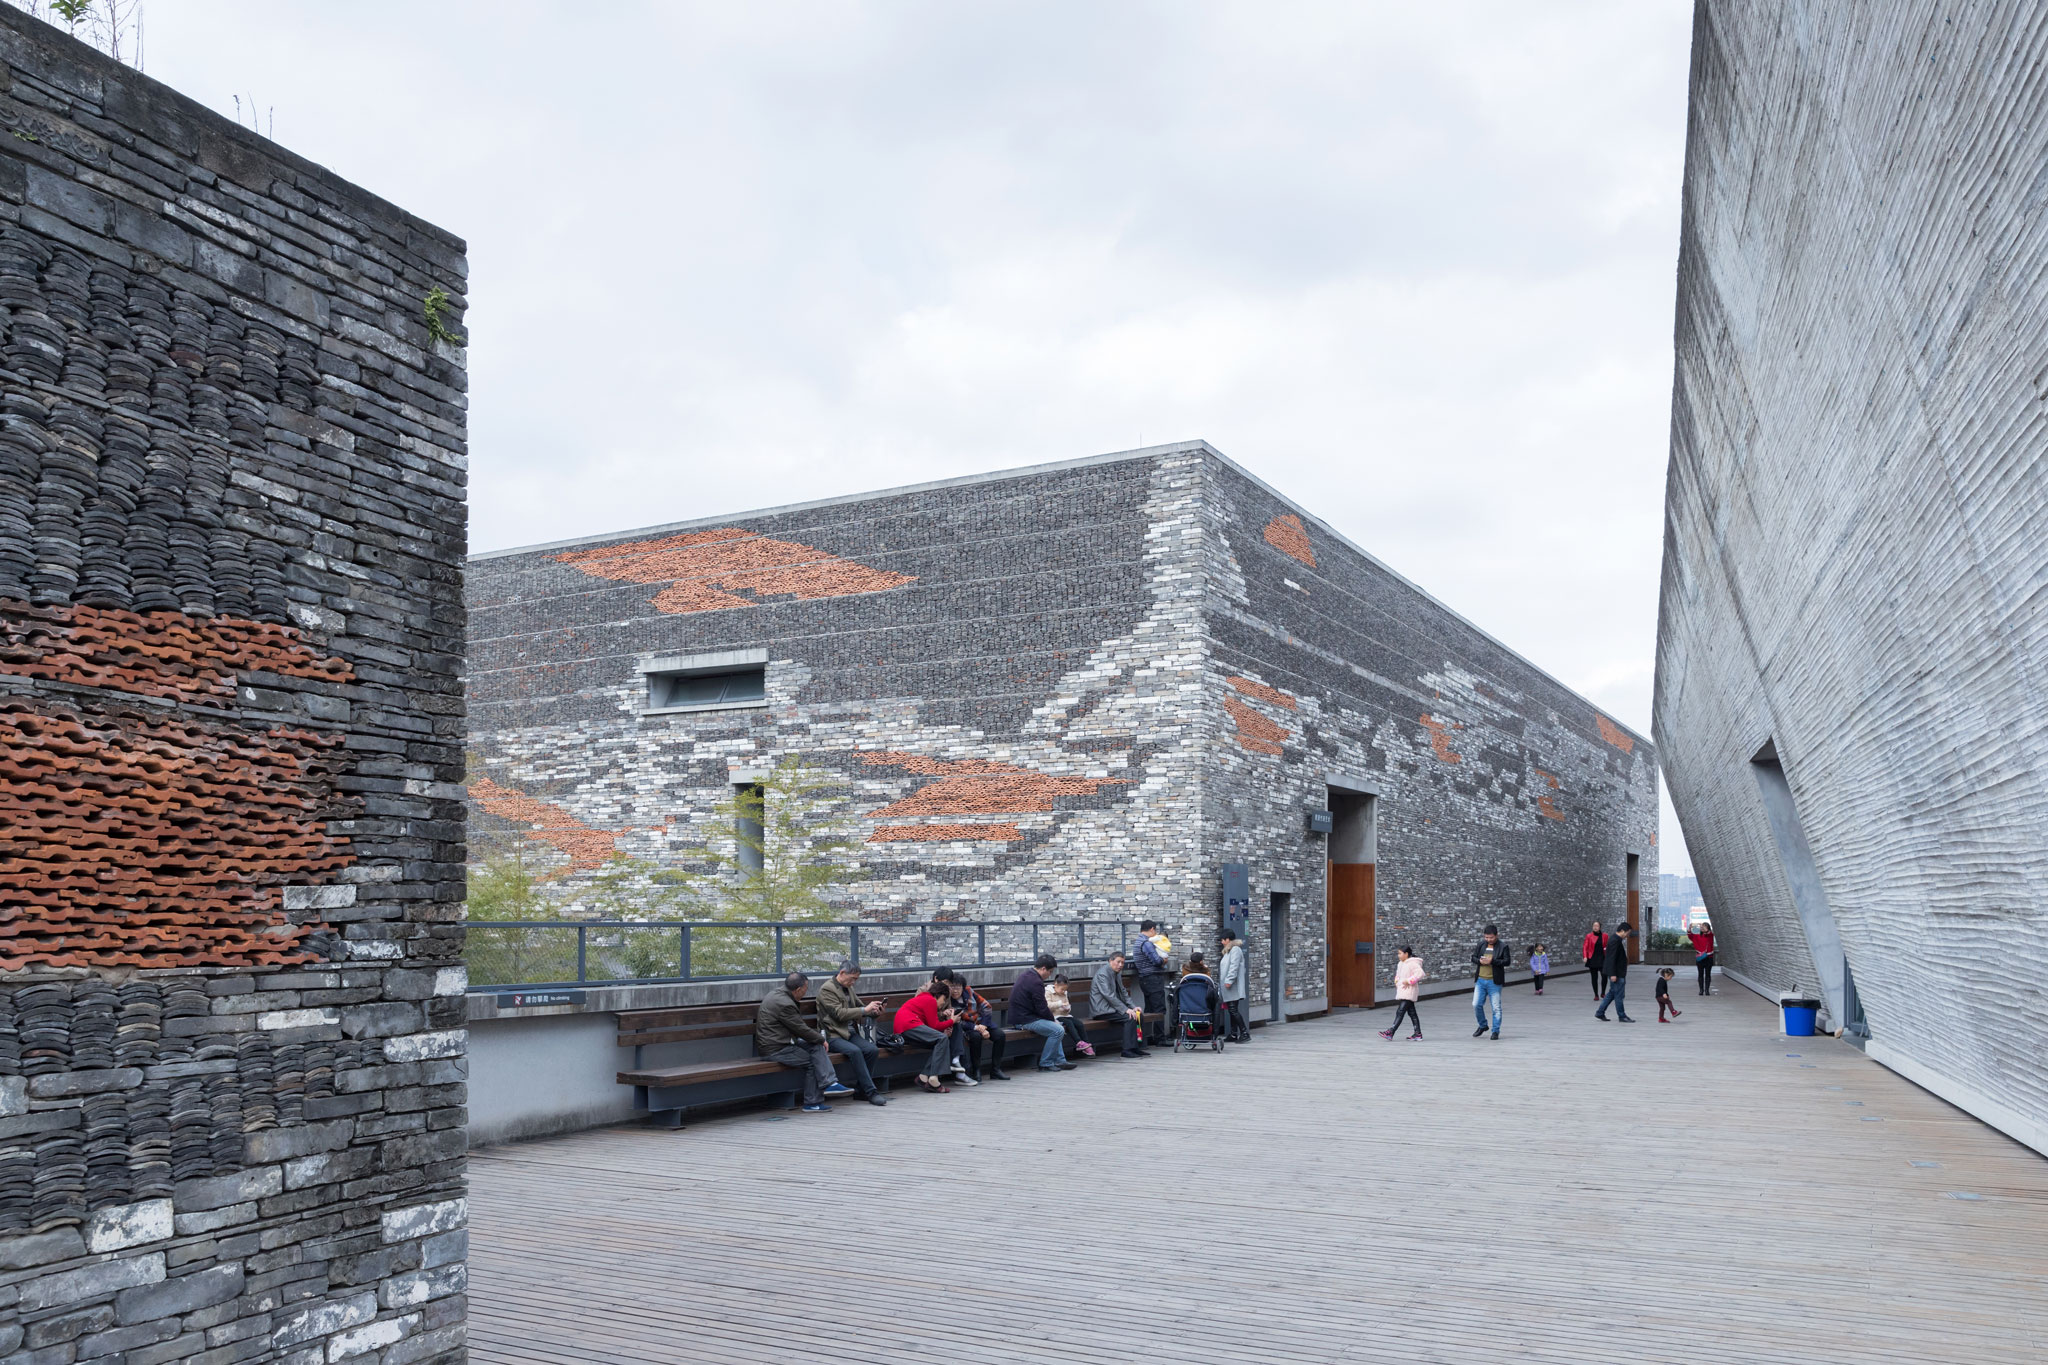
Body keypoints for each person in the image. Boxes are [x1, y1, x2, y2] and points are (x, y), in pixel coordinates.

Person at [754, 971, 849, 1113]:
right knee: (812, 1061)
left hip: (782, 1042)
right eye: (805, 989)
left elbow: (800, 1030)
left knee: (816, 1047)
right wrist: (822, 1039)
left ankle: (831, 1083)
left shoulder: (778, 994)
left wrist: (818, 1041)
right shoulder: (785, 1004)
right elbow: (801, 1029)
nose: (806, 992)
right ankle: (812, 1103)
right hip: (775, 1048)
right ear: (798, 989)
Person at [813, 962, 889, 1106]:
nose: (853, 982)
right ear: (842, 973)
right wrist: (864, 1010)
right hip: (832, 1035)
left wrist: (874, 1011)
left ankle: (861, 1091)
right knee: (855, 1051)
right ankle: (871, 1092)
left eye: (856, 979)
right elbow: (838, 1014)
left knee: (871, 1050)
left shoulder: (848, 988)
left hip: (849, 1033)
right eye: (852, 978)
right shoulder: (827, 989)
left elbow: (860, 1007)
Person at [1009, 953, 1074, 1071]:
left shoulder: (1027, 975)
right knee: (1057, 1029)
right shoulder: (1035, 982)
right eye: (1050, 972)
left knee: (1055, 1028)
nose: (1050, 975)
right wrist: (1053, 1020)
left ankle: (1060, 1061)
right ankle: (1046, 1063)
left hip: (1024, 1016)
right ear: (1043, 968)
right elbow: (1042, 1007)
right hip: (1024, 1020)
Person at [892, 978, 958, 1093]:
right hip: (908, 1025)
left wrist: (943, 1030)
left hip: (904, 1029)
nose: (943, 1003)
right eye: (944, 999)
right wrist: (952, 1021)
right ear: (939, 995)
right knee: (942, 1038)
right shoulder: (930, 1000)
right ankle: (933, 1078)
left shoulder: (923, 998)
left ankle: (923, 1077)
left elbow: (931, 1027)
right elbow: (935, 1026)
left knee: (939, 1042)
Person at [947, 974, 1010, 1081]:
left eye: (958, 987)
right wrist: (977, 1028)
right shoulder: (948, 1001)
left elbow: (986, 1006)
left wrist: (984, 1025)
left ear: (963, 987)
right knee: (976, 1037)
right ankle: (976, 1070)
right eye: (952, 987)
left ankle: (996, 1070)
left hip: (981, 1022)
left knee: (1000, 1035)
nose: (955, 990)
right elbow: (958, 1022)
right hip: (966, 1027)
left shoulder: (969, 992)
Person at [1091, 950, 1148, 1058]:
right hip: (1102, 1009)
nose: (1120, 965)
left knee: (1138, 1014)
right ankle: (1127, 1050)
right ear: (1110, 961)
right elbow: (1108, 995)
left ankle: (1137, 1047)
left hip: (1113, 1008)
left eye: (1122, 962)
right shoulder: (1103, 974)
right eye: (1118, 962)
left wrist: (1133, 1006)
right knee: (1130, 1017)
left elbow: (1123, 992)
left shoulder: (1116, 973)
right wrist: (1126, 1010)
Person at [1469, 924, 1510, 1039]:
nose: (1488, 940)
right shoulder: (1481, 944)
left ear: (1497, 935)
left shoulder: (1503, 946)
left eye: (1491, 937)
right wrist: (1480, 961)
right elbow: (1473, 957)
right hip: (1480, 980)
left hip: (1494, 981)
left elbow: (1507, 961)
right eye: (1486, 937)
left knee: (1496, 1007)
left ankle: (1495, 1031)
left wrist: (1492, 961)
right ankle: (1483, 1025)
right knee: (1476, 1004)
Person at [1378, 945, 1425, 1041]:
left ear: (1406, 954)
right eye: (1398, 953)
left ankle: (1391, 1032)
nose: (1398, 955)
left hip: (1409, 991)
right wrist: (1397, 981)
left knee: (1400, 1011)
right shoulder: (1401, 963)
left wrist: (1408, 981)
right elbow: (1398, 975)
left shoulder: (1413, 963)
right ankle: (1418, 1034)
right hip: (1403, 990)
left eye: (1400, 953)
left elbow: (1420, 974)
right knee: (1412, 1013)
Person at [1046, 974, 1095, 1057]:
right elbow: (1047, 1006)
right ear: (1055, 985)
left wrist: (1067, 1008)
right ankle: (1078, 1042)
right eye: (1062, 989)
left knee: (1079, 1023)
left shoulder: (1064, 992)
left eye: (1065, 989)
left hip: (1064, 1015)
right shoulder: (1048, 992)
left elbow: (1067, 1005)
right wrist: (1059, 1004)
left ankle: (1086, 1043)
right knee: (1069, 1023)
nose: (1063, 991)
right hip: (1054, 1016)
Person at [1595, 923, 1636, 1022]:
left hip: (1618, 972)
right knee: (1619, 995)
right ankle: (1622, 1016)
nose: (1628, 935)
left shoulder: (1616, 940)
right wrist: (1613, 974)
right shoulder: (1614, 941)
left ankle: (1600, 1012)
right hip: (1617, 973)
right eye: (1627, 933)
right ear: (1622, 931)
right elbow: (1611, 959)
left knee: (1612, 993)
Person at [1217, 930, 1250, 1043]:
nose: (1222, 942)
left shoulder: (1235, 950)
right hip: (1229, 986)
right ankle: (1233, 1034)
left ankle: (1244, 1033)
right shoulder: (1229, 950)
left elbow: (1234, 967)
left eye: (1223, 940)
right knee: (1231, 1010)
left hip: (1232, 985)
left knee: (1233, 1010)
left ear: (1228, 939)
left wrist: (1229, 980)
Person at [1133, 920, 1171, 1017]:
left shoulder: (1138, 941)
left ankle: (1148, 1032)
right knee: (1159, 1010)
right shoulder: (1146, 943)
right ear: (1152, 929)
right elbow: (1157, 961)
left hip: (1144, 978)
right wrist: (1164, 961)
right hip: (1153, 978)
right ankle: (1159, 1033)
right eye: (1155, 931)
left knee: (1149, 1008)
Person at [1688, 921, 1716, 995]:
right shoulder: (1697, 936)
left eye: (1704, 927)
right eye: (1701, 927)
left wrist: (1705, 929)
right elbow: (1690, 936)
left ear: (1708, 928)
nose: (1702, 928)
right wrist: (1689, 929)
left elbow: (1709, 933)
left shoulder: (1710, 936)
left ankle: (1707, 990)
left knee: (1708, 974)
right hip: (1700, 958)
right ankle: (1701, 990)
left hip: (1709, 957)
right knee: (1700, 974)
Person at [1583, 920, 1608, 999]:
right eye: (1594, 926)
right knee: (1594, 977)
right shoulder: (1589, 936)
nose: (1595, 927)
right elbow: (1585, 947)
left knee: (1604, 975)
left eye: (1597, 926)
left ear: (1600, 927)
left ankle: (1603, 993)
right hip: (1592, 958)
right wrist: (1585, 956)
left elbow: (1607, 946)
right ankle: (1596, 995)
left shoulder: (1605, 936)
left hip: (1602, 958)